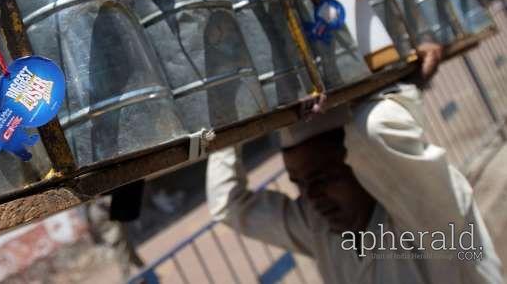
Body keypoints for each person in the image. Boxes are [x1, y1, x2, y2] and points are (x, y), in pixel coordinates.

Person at [206, 41, 504, 283]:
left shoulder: (428, 213)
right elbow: (229, 205)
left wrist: (397, 86)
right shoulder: (319, 227)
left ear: (361, 165)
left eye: (324, 178)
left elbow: (376, 130)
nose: (312, 198)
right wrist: (233, 125)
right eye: (298, 183)